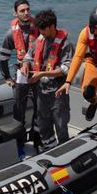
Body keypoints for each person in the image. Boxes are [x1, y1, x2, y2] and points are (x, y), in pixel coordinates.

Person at [21, 9, 74, 150]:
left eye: (43, 29)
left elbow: (65, 69)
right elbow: (28, 56)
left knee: (60, 123)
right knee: (43, 123)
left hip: (58, 92)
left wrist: (42, 74)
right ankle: (49, 149)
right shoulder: (39, 39)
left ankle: (64, 151)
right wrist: (25, 65)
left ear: (52, 26)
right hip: (41, 92)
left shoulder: (66, 45)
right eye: (39, 29)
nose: (41, 32)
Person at [0, 0, 39, 154]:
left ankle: (37, 139)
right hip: (21, 75)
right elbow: (3, 58)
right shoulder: (11, 33)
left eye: (27, 9)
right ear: (15, 13)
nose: (26, 12)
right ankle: (19, 142)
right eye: (22, 10)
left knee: (40, 108)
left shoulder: (39, 28)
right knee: (18, 109)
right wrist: (7, 78)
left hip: (38, 74)